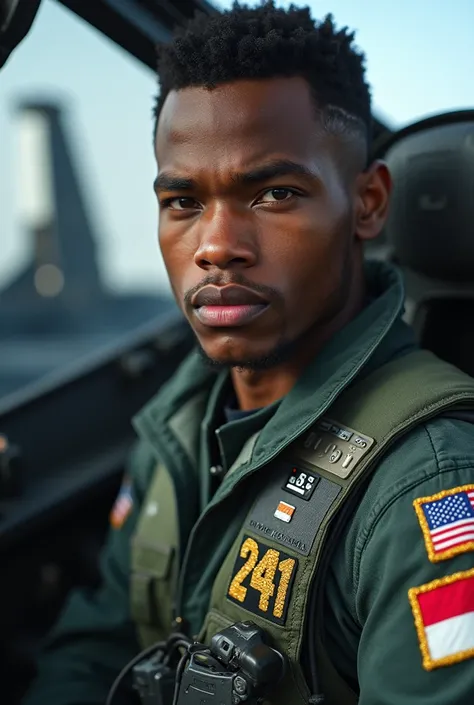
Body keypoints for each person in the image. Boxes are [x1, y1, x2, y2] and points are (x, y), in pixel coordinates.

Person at [23, 3, 474, 704]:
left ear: (368, 203)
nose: (216, 244)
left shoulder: (427, 485)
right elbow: (94, 649)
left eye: (274, 192)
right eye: (182, 200)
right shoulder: (179, 420)